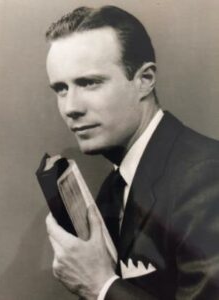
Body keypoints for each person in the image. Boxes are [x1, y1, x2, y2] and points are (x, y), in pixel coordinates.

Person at [45, 5, 219, 300]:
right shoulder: (115, 186)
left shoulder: (207, 177)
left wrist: (101, 287)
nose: (71, 107)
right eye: (61, 88)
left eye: (89, 83)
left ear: (145, 80)